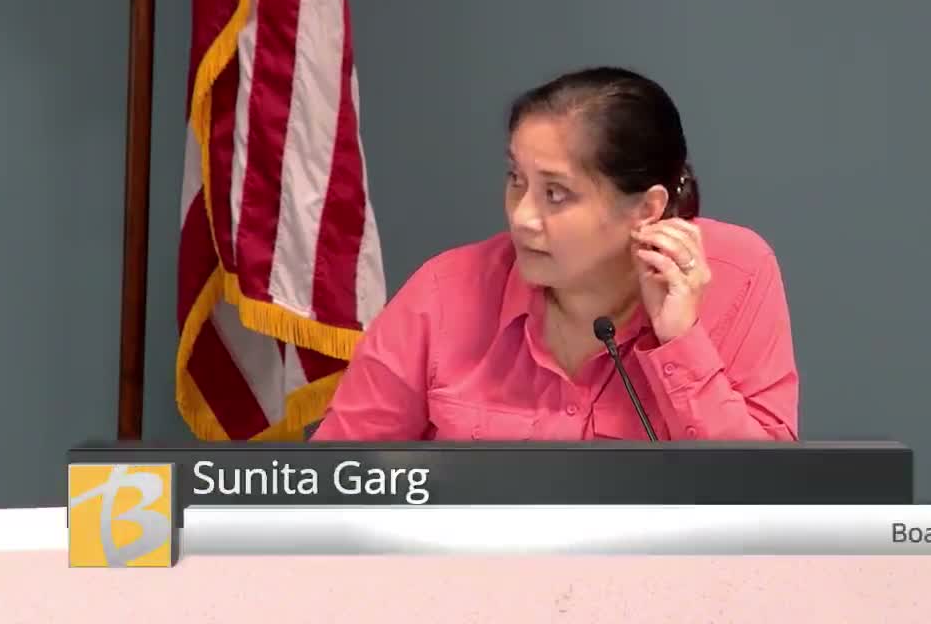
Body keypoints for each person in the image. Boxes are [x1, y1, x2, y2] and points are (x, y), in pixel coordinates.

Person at [310, 66, 799, 441]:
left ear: (646, 209)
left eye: (556, 194)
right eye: (516, 180)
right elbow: (337, 483)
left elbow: (765, 498)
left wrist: (680, 343)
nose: (522, 217)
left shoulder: (737, 273)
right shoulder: (443, 292)